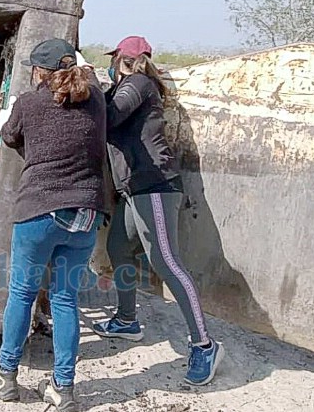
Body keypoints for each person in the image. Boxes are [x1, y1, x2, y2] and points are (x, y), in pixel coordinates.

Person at [0, 39, 110, 412]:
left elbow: (9, 136)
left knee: (22, 294)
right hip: (86, 213)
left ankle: (6, 375)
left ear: (39, 72)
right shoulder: (98, 100)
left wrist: (5, 116)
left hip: (40, 209)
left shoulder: (30, 102)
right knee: (65, 298)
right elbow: (91, 77)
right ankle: (63, 389)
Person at [92, 36, 224, 385]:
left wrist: (89, 84)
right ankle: (125, 320)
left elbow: (111, 115)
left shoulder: (138, 83)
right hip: (135, 189)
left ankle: (205, 344)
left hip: (155, 186)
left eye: (115, 58)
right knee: (118, 247)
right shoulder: (131, 86)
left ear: (123, 58)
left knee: (166, 260)